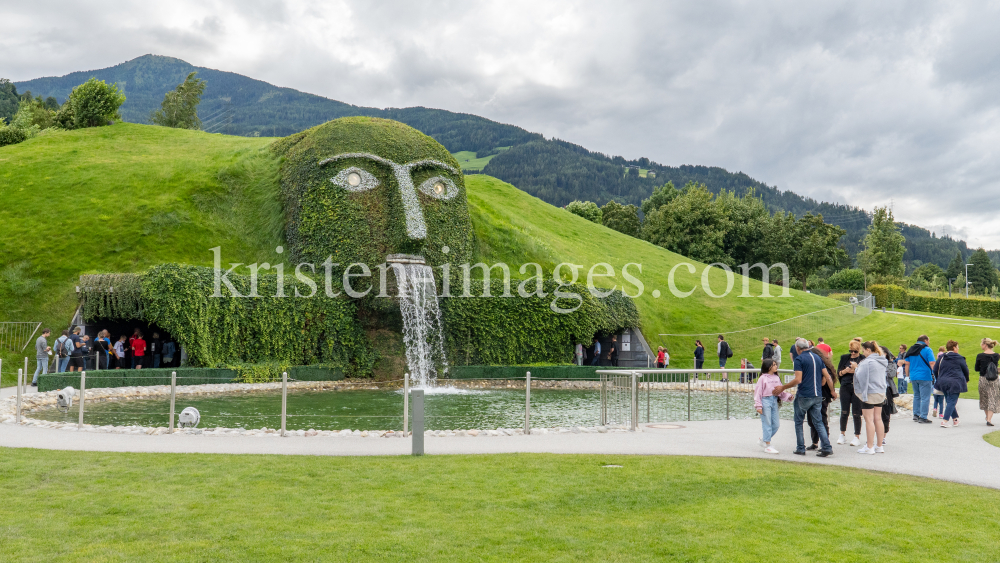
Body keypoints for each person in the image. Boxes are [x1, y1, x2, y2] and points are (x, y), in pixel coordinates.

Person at [772, 338, 833, 457]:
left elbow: (798, 379)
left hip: (804, 395)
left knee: (798, 421)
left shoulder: (799, 359)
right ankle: (826, 446)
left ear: (797, 348)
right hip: (817, 395)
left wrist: (783, 387)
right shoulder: (817, 358)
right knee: (818, 422)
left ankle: (800, 447)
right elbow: (828, 376)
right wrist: (832, 391)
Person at [854, 340, 888, 454]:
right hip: (880, 392)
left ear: (868, 350)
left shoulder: (867, 362)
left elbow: (860, 376)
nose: (863, 353)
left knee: (869, 420)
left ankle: (869, 446)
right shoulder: (882, 360)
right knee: (878, 418)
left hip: (869, 392)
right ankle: (879, 446)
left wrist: (856, 368)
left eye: (863, 351)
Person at [754, 358, 791, 454]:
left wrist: (788, 397)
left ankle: (763, 440)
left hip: (774, 401)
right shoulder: (762, 378)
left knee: (776, 425)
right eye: (773, 364)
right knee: (767, 424)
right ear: (768, 366)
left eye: (775, 364)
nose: (776, 366)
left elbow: (779, 391)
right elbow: (758, 392)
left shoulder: (776, 378)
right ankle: (768, 445)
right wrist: (758, 406)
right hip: (765, 401)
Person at [806, 342, 837, 450]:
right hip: (817, 395)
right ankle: (815, 442)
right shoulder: (822, 365)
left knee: (821, 420)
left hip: (821, 395)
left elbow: (823, 381)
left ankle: (825, 443)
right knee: (812, 420)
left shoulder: (822, 367)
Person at [835, 338, 864, 446]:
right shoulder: (844, 358)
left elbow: (863, 373)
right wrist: (846, 371)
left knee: (856, 413)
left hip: (857, 388)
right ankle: (842, 434)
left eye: (855, 351)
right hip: (845, 386)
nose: (852, 353)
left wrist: (855, 369)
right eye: (851, 351)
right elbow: (839, 373)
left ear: (859, 351)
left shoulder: (862, 359)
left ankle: (857, 436)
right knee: (844, 411)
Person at [934, 340, 969, 428]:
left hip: (943, 381)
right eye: (957, 347)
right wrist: (966, 379)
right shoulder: (960, 358)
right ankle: (945, 421)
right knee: (952, 401)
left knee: (949, 400)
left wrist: (939, 378)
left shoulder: (942, 357)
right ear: (954, 348)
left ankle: (955, 419)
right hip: (955, 381)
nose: (958, 348)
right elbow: (965, 370)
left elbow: (935, 369)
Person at [903, 335, 936, 423]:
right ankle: (923, 416)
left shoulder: (911, 349)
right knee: (925, 397)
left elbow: (906, 363)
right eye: (928, 341)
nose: (929, 343)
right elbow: (932, 362)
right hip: (925, 376)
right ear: (925, 340)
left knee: (917, 396)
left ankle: (916, 414)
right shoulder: (927, 349)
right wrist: (936, 374)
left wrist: (907, 375)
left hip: (913, 376)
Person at [975, 338, 999, 427]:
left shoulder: (980, 356)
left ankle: (987, 417)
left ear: (985, 345)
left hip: (983, 379)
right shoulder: (996, 355)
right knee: (993, 398)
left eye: (981, 344)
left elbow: (976, 368)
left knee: (984, 398)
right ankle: (989, 419)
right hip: (994, 379)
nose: (981, 345)